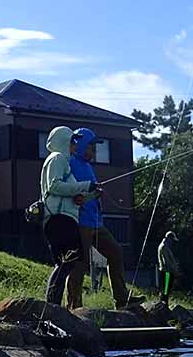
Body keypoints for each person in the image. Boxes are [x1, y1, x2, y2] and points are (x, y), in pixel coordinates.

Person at [67, 128, 137, 309]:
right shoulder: (70, 163)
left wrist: (96, 193)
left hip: (96, 222)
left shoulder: (88, 166)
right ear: (81, 145)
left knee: (115, 252)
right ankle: (75, 307)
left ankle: (122, 300)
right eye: (91, 146)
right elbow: (71, 192)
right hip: (80, 222)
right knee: (79, 264)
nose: (95, 151)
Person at [39, 126, 99, 308]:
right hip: (58, 218)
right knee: (65, 261)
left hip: (66, 218)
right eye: (73, 140)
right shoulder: (56, 159)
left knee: (70, 261)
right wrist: (85, 184)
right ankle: (52, 306)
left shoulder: (64, 162)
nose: (75, 144)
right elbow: (54, 186)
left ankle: (54, 306)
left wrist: (92, 193)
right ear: (63, 141)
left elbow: (74, 196)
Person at [157, 231, 182, 303]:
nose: (172, 242)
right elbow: (167, 262)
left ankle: (164, 307)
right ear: (169, 238)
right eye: (172, 240)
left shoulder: (165, 246)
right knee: (165, 292)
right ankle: (164, 308)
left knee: (166, 291)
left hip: (167, 272)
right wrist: (175, 271)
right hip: (167, 273)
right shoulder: (164, 247)